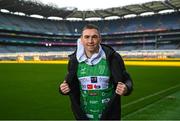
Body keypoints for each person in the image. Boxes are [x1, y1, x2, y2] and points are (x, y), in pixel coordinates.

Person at [59, 24, 133, 120]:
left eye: (94, 37)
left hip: (110, 116)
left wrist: (126, 88)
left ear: (100, 39)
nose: (90, 41)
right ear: (81, 40)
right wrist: (63, 89)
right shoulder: (74, 61)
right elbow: (69, 84)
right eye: (87, 37)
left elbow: (127, 79)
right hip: (83, 117)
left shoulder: (113, 58)